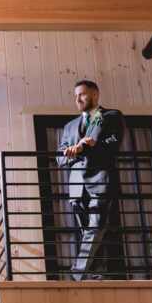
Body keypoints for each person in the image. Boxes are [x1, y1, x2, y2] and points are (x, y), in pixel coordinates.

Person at [56, 80, 125, 281]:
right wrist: (74, 151)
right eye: (76, 95)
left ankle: (77, 273)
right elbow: (59, 157)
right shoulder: (69, 126)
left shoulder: (111, 116)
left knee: (95, 228)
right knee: (90, 233)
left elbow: (113, 144)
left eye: (82, 95)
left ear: (95, 95)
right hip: (77, 188)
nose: (78, 99)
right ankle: (95, 274)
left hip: (101, 181)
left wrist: (88, 146)